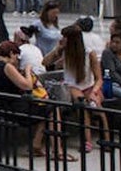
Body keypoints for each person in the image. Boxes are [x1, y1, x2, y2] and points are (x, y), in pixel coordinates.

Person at [0, 40, 55, 159]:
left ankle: (37, 144)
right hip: (14, 108)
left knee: (46, 108)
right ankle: (47, 146)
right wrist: (27, 70)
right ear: (11, 54)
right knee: (51, 108)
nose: (17, 60)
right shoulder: (6, 66)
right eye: (17, 57)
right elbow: (27, 86)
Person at [43, 24, 106, 153]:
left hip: (89, 86)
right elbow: (45, 62)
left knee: (98, 108)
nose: (62, 40)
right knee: (81, 105)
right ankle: (86, 140)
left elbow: (98, 78)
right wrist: (58, 49)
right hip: (72, 86)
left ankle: (106, 138)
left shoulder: (89, 53)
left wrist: (94, 91)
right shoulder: (64, 52)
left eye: (64, 37)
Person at [101, 32, 121, 103]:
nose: (114, 44)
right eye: (112, 42)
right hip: (111, 84)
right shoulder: (107, 53)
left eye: (117, 42)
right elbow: (112, 73)